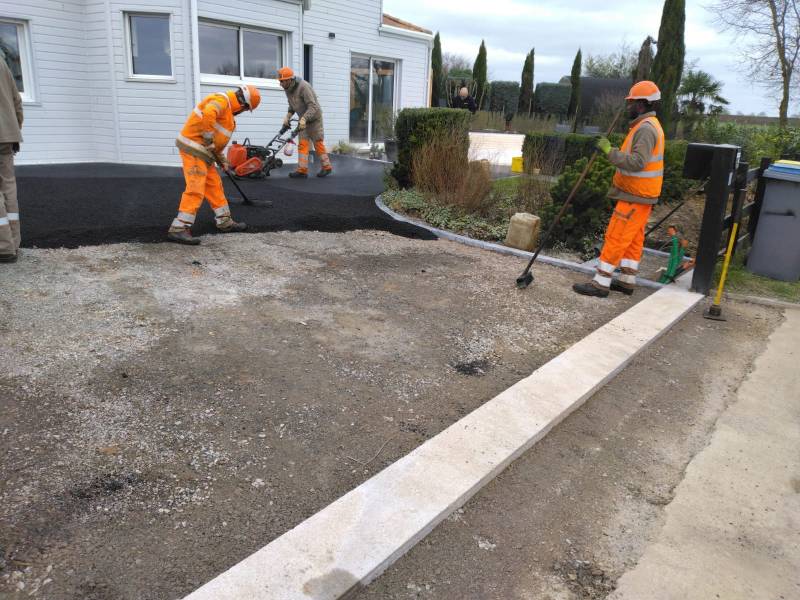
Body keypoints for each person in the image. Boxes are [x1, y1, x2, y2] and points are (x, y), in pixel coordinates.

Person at [572, 80, 665, 298]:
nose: (628, 106)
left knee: (617, 236)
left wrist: (609, 151)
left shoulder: (646, 129)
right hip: (641, 195)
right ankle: (626, 281)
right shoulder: (649, 126)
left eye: (631, 102)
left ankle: (600, 283)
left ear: (641, 104)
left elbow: (637, 162)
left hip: (635, 195)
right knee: (633, 240)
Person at [167, 84, 261, 245]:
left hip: (205, 153)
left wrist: (222, 159)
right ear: (243, 104)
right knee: (196, 187)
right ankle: (179, 228)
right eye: (246, 109)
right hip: (194, 148)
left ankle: (224, 221)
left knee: (214, 185)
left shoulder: (228, 112)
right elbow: (209, 112)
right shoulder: (222, 101)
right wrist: (208, 139)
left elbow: (216, 141)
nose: (243, 112)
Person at [277, 67, 332, 179]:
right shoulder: (287, 89)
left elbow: (313, 106)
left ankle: (327, 167)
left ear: (289, 80)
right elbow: (292, 105)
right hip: (303, 120)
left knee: (317, 143)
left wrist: (304, 119)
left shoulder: (304, 87)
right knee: (303, 144)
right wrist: (288, 116)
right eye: (280, 81)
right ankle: (302, 171)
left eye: (282, 81)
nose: (280, 84)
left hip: (314, 119)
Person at [0, 55, 23, 263]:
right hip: (7, 135)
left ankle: (4, 247)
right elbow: (17, 100)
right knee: (8, 186)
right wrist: (14, 130)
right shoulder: (2, 62)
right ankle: (14, 242)